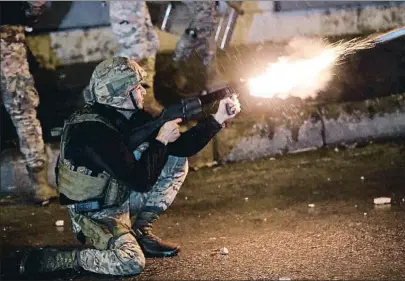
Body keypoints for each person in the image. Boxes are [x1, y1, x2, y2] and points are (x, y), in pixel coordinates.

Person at [17, 57, 241, 277]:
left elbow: (182, 147)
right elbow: (140, 182)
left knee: (175, 160)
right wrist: (160, 140)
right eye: (137, 87)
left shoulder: (129, 115)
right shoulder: (92, 131)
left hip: (118, 197)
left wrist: (217, 118)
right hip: (93, 213)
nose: (143, 91)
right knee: (131, 262)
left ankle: (140, 231)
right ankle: (65, 258)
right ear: (121, 94)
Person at [0, 1, 58, 205]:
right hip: (8, 38)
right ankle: (40, 184)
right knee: (23, 111)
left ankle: (40, 185)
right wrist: (34, 10)